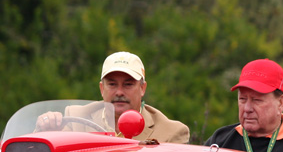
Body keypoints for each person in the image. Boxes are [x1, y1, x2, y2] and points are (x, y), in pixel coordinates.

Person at [35, 51, 190, 143]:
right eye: (112, 84)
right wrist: (44, 129)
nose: (119, 92)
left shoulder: (171, 132)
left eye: (128, 84)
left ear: (142, 88)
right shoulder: (76, 118)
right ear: (102, 88)